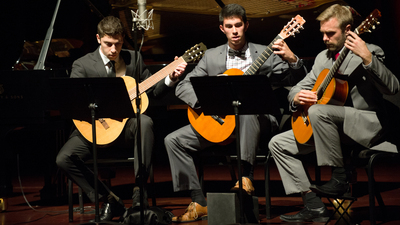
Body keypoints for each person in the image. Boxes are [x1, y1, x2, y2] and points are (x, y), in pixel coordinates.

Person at [164, 3, 306, 223]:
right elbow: (183, 87)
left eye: (238, 25)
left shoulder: (265, 53)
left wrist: (292, 59)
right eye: (229, 26)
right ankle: (198, 201)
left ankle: (245, 178)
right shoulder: (211, 57)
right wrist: (207, 103)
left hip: (258, 121)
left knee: (246, 108)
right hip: (221, 122)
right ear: (222, 28)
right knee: (173, 140)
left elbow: (297, 81)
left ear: (246, 25)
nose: (235, 30)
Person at [268, 4, 399, 223]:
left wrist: (367, 58)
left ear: (348, 30)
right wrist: (298, 97)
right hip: (329, 129)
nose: (325, 38)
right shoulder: (322, 58)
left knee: (319, 111)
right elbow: (297, 88)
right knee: (278, 144)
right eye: (323, 33)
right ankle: (313, 206)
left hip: (363, 126)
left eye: (331, 33)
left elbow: (393, 88)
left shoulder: (371, 50)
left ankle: (340, 177)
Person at [56, 16, 187, 222]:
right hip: (93, 128)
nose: (114, 50)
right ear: (98, 38)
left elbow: (153, 92)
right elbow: (75, 103)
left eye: (117, 44)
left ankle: (139, 192)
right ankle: (108, 199)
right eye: (108, 44)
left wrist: (171, 77)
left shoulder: (134, 59)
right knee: (64, 158)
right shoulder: (82, 65)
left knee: (145, 122)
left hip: (126, 128)